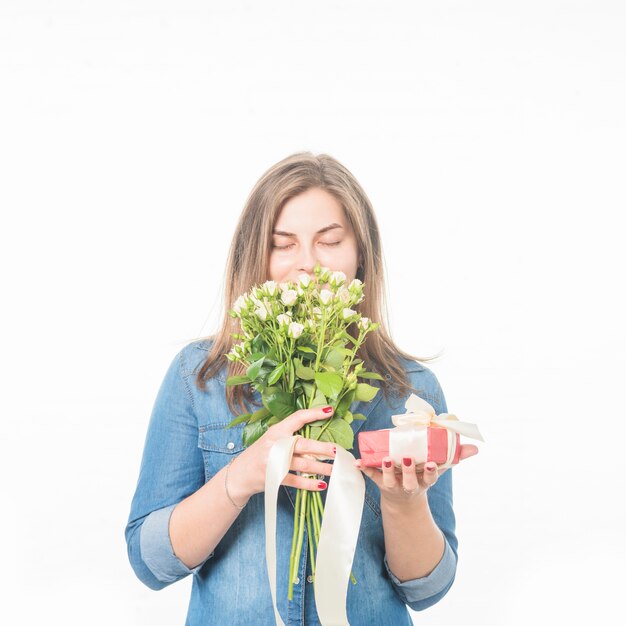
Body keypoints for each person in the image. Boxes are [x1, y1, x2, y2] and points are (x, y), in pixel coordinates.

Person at [124, 152, 478, 625]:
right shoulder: (200, 377)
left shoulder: (409, 390)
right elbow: (150, 563)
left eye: (329, 241)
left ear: (360, 258)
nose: (307, 265)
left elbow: (429, 589)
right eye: (283, 244)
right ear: (256, 257)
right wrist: (243, 477)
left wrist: (403, 501)